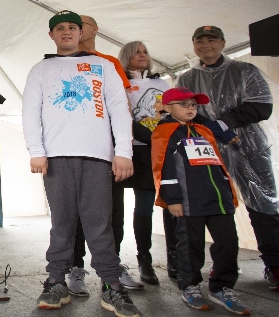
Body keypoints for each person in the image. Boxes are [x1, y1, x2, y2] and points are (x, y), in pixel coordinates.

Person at [22, 11, 140, 317]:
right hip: (57, 157)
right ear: (51, 35)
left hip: (98, 156)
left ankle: (111, 285)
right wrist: (37, 150)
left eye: (71, 27)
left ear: (81, 32)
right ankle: (55, 281)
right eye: (59, 28)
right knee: (62, 224)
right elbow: (30, 112)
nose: (66, 32)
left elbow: (118, 109)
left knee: (100, 225)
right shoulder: (40, 69)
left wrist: (124, 152)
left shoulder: (103, 65)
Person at [177, 25, 279, 293]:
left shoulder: (244, 71)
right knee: (216, 208)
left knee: (264, 205)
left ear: (222, 43)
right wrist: (214, 130)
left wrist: (225, 123)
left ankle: (275, 264)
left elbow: (261, 105)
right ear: (194, 45)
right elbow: (182, 109)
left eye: (212, 40)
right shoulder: (187, 78)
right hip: (205, 148)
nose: (206, 45)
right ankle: (223, 266)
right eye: (200, 41)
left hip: (249, 147)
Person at [151, 87, 250, 315]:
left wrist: (227, 192)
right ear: (167, 107)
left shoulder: (204, 131)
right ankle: (190, 286)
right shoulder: (165, 132)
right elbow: (163, 167)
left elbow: (217, 163)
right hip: (187, 202)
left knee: (228, 243)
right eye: (184, 104)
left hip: (218, 200)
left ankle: (222, 287)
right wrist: (173, 199)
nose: (191, 108)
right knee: (190, 247)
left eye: (194, 105)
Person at [68, 14, 143, 294]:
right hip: (73, 149)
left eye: (81, 24)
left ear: (95, 29)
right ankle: (76, 268)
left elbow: (121, 106)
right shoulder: (58, 62)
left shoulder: (109, 62)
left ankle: (111, 268)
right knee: (73, 212)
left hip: (107, 150)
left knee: (112, 211)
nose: (75, 29)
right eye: (69, 26)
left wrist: (122, 149)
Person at [117, 40, 172, 285]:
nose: (142, 55)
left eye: (145, 51)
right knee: (141, 207)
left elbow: (172, 114)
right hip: (133, 150)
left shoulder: (162, 83)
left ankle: (175, 259)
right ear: (126, 56)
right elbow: (120, 117)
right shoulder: (120, 83)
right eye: (136, 52)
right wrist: (148, 137)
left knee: (171, 205)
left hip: (161, 150)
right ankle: (143, 258)